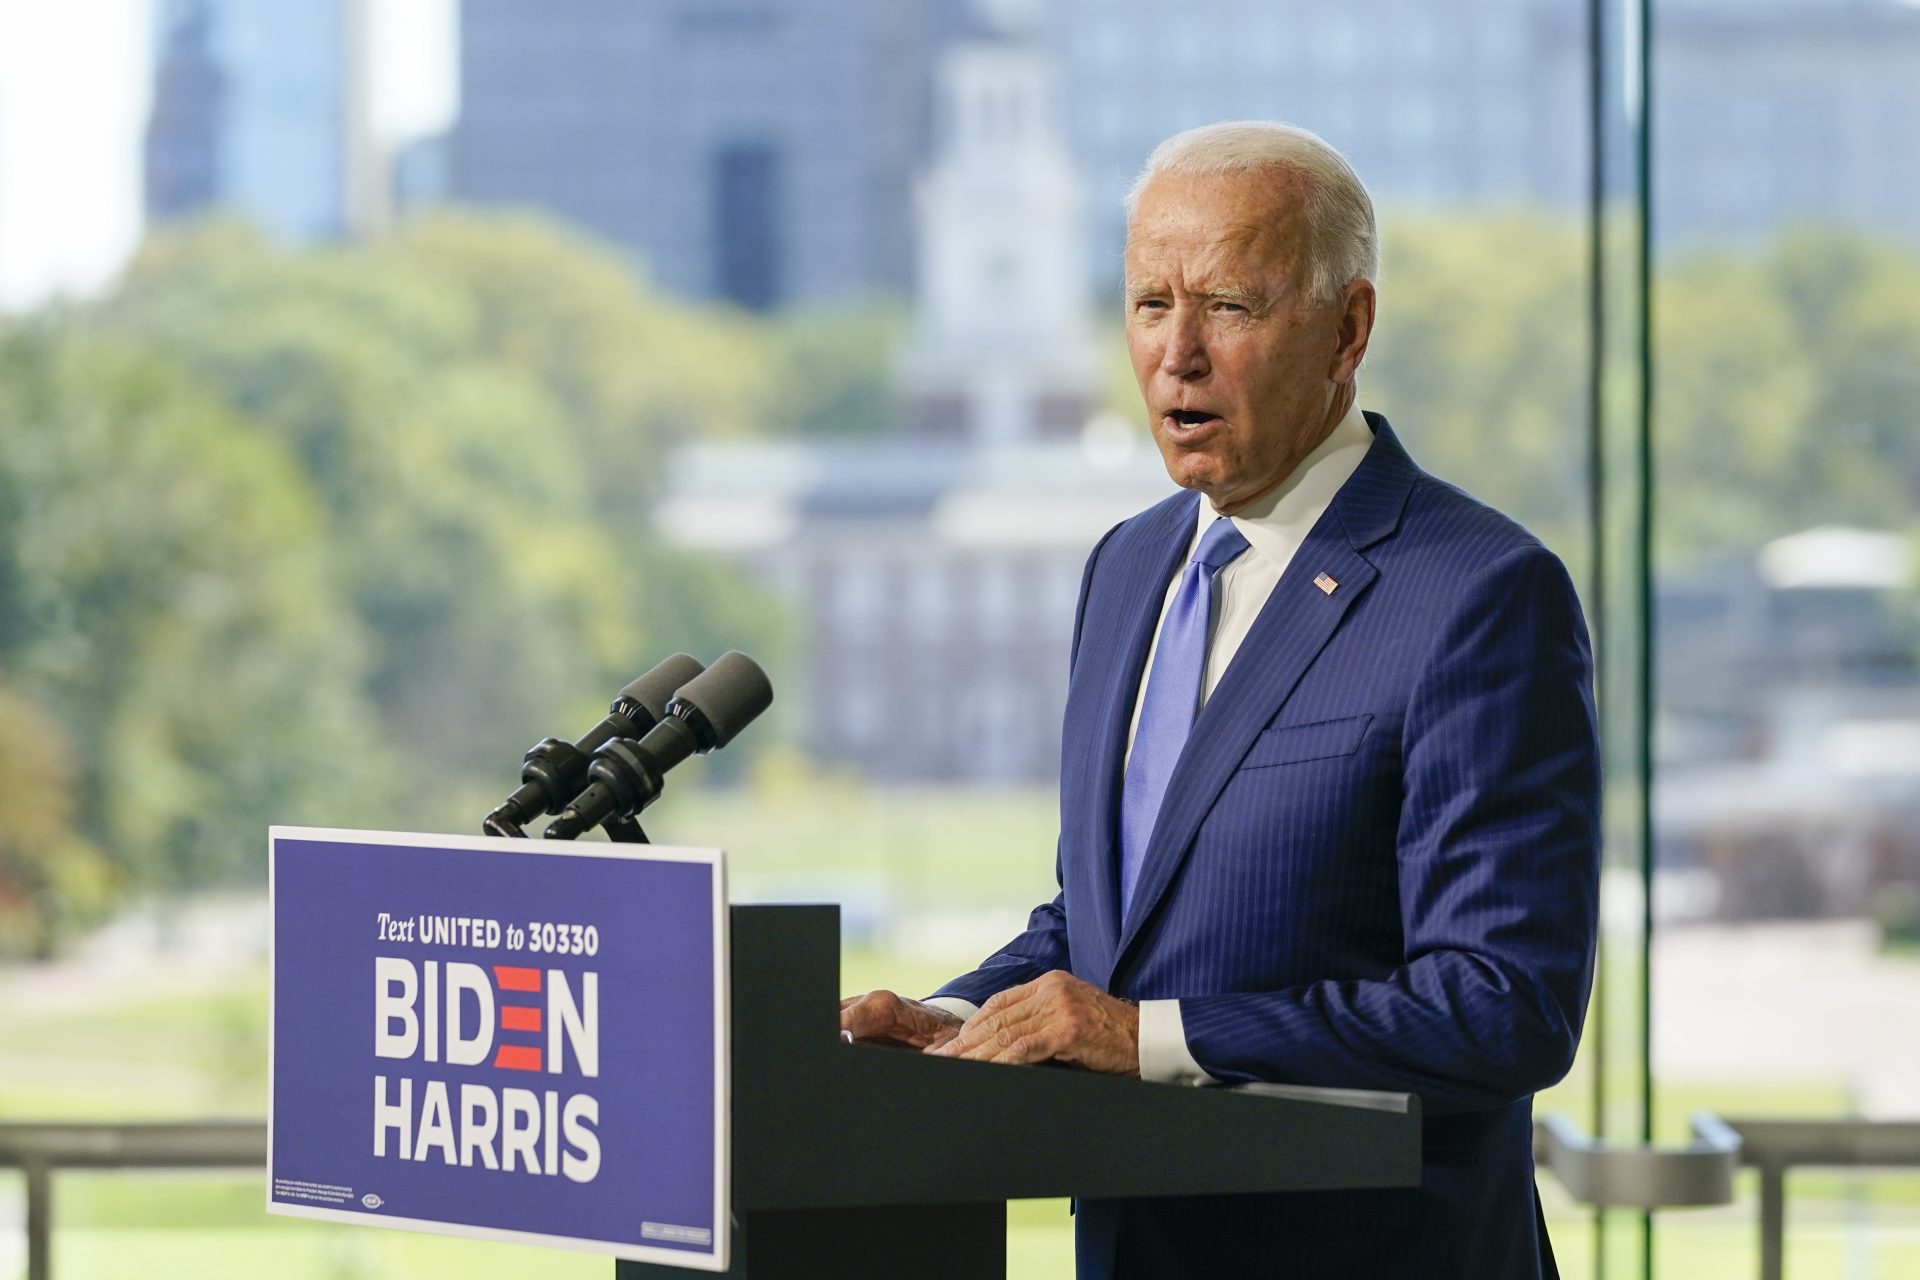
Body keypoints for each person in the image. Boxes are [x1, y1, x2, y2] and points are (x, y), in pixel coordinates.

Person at [841, 120, 1600, 1279]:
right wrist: (960, 1016)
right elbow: (1108, 921)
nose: (1177, 354)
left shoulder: (1481, 594)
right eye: (1150, 303)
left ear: (1348, 328)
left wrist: (1145, 1038)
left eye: (1230, 307)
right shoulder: (1127, 566)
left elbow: (1502, 1006)